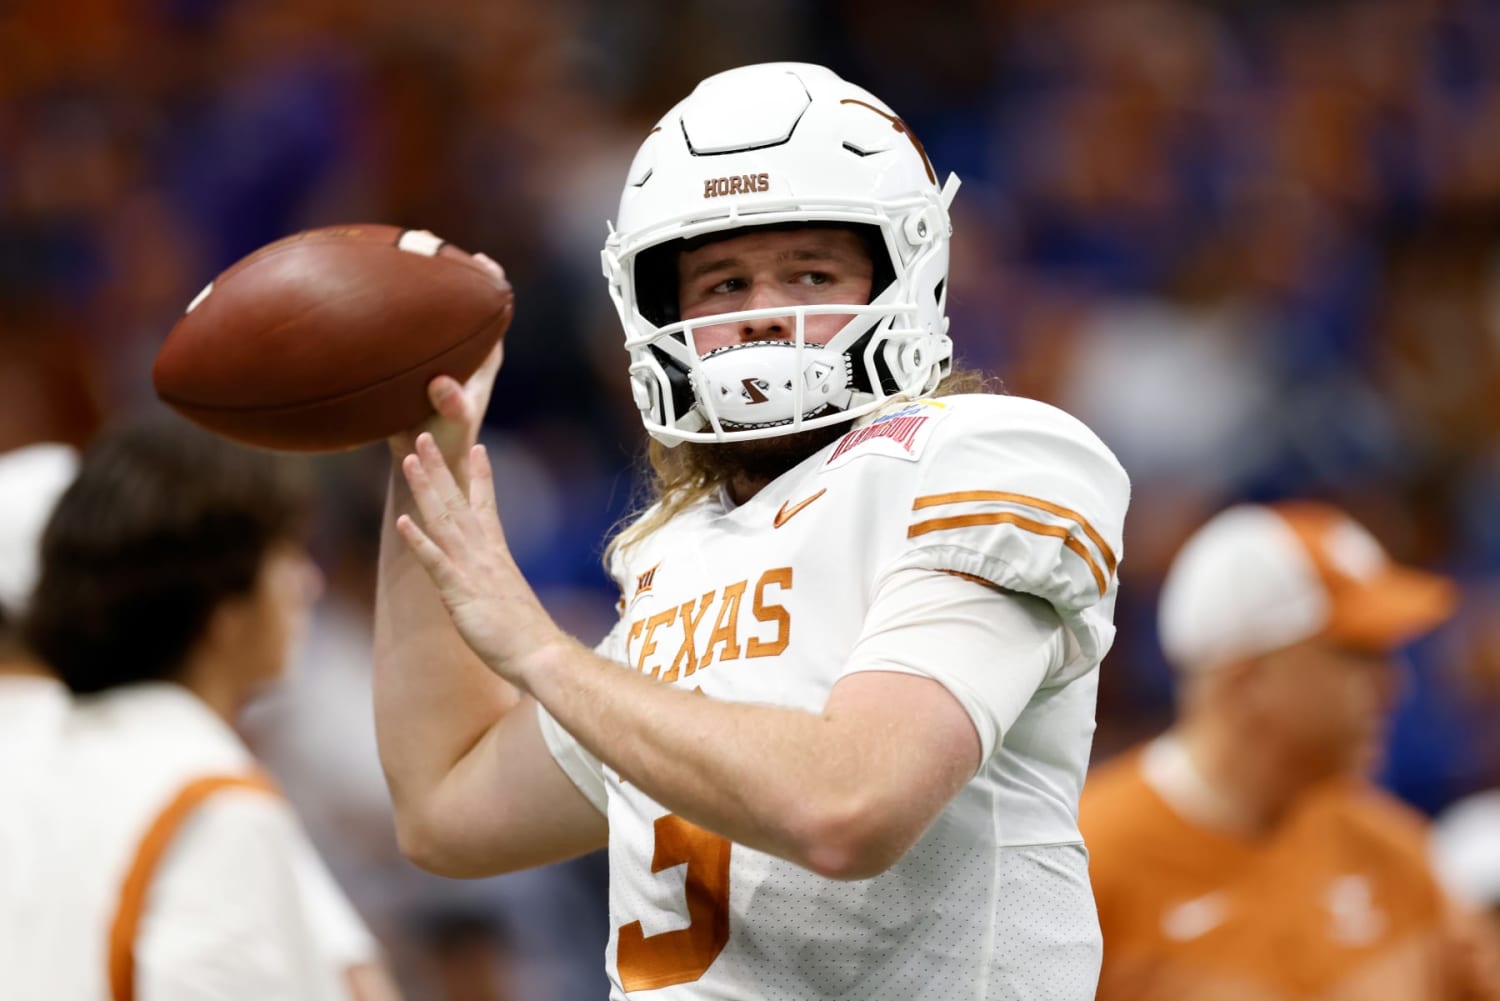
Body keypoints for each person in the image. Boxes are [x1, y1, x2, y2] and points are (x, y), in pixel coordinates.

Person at [374, 62, 1130, 999]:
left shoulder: (985, 453)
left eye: (810, 270)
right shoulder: (679, 548)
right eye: (723, 281)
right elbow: (447, 810)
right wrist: (427, 451)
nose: (765, 310)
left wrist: (541, 652)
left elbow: (850, 806)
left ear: (905, 272)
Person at [3, 419, 401, 1001]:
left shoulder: (43, 758)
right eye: (286, 555)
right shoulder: (210, 797)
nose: (308, 583)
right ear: (223, 610)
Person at [1081, 500, 1500, 1000]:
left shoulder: (1397, 856)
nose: (1393, 686)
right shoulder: (1090, 862)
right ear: (1248, 679)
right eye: (1358, 654)